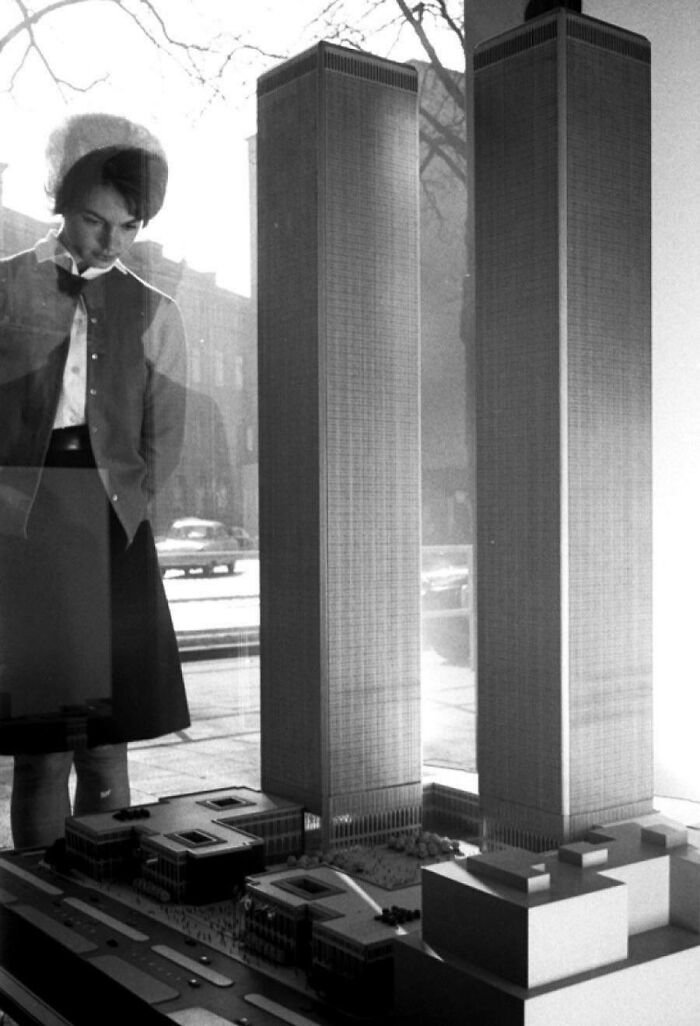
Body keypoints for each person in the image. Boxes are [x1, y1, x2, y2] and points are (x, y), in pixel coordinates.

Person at [0, 113, 190, 847]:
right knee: (40, 753)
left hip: (111, 530)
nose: (110, 242)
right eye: (93, 220)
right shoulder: (5, 290)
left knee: (107, 748)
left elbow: (161, 441)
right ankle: (43, 918)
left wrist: (131, 509)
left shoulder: (158, 313)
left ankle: (106, 909)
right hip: (25, 531)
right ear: (59, 203)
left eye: (129, 226)